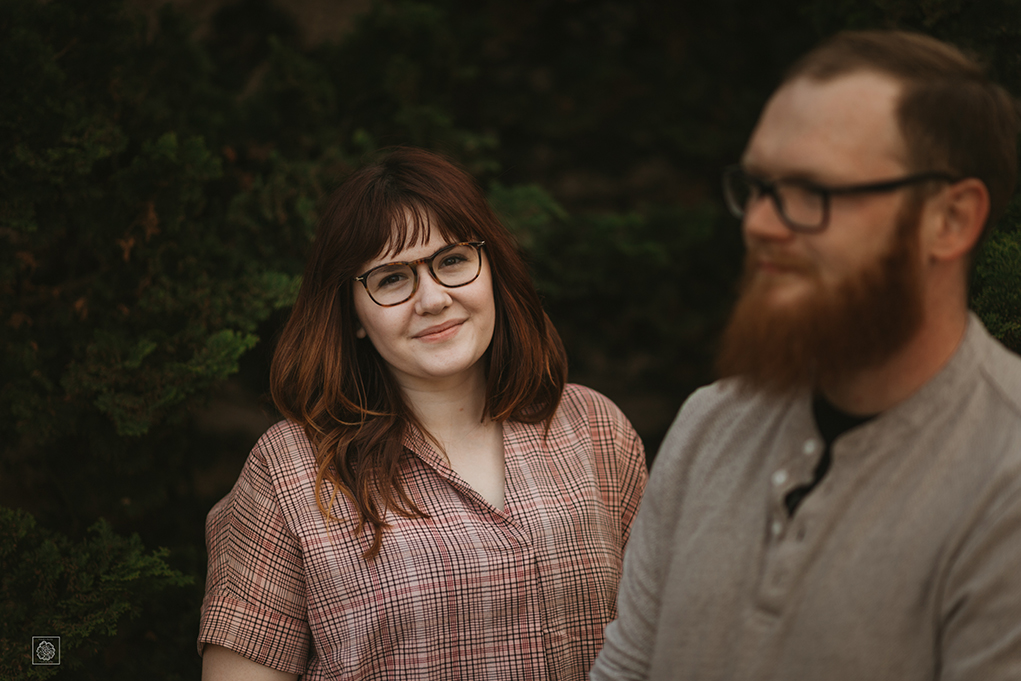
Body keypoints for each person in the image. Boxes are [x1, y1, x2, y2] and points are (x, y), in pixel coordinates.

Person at [592, 30, 1021, 681]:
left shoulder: (1005, 475)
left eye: (812, 190)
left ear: (949, 220)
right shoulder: (709, 423)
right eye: (757, 185)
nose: (759, 222)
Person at [197, 147, 648, 680]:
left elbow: (663, 639)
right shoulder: (290, 472)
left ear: (492, 270)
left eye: (452, 260)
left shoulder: (593, 429)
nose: (432, 299)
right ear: (354, 315)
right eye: (391, 278)